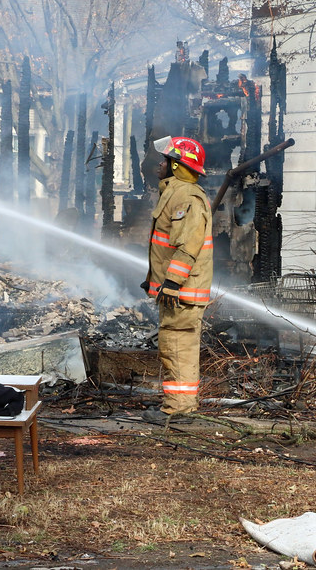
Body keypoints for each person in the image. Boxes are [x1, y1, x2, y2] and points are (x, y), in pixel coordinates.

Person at [140, 136, 213, 423]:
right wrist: (155, 281)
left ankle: (179, 410)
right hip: (176, 290)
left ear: (177, 166)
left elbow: (188, 244)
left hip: (182, 292)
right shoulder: (174, 193)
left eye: (166, 160)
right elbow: (165, 245)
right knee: (174, 347)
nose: (160, 164)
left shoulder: (186, 196)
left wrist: (171, 282)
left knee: (177, 348)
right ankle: (180, 406)